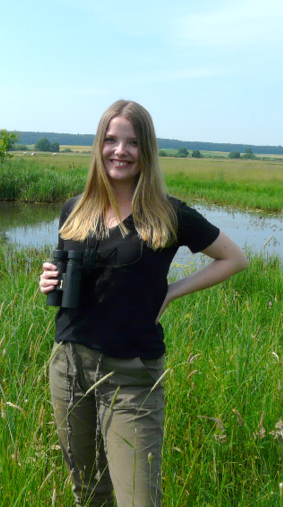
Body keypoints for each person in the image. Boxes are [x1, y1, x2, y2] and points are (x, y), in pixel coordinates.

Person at [39, 100, 248, 507]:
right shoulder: (76, 208)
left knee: (140, 500)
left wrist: (172, 290)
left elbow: (234, 258)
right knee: (88, 493)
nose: (120, 151)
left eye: (132, 142)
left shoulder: (169, 214)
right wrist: (50, 277)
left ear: (146, 150)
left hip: (131, 375)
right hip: (69, 365)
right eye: (111, 140)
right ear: (98, 145)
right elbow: (65, 267)